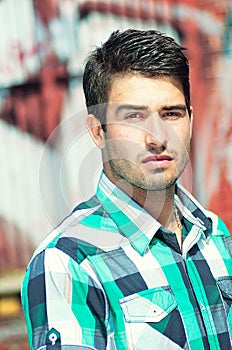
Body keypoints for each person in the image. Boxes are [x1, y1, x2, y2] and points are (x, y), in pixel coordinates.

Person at [21, 29, 232, 350]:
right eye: (134, 116)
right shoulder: (68, 261)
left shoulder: (215, 235)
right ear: (97, 131)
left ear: (191, 118)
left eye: (171, 113)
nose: (157, 137)